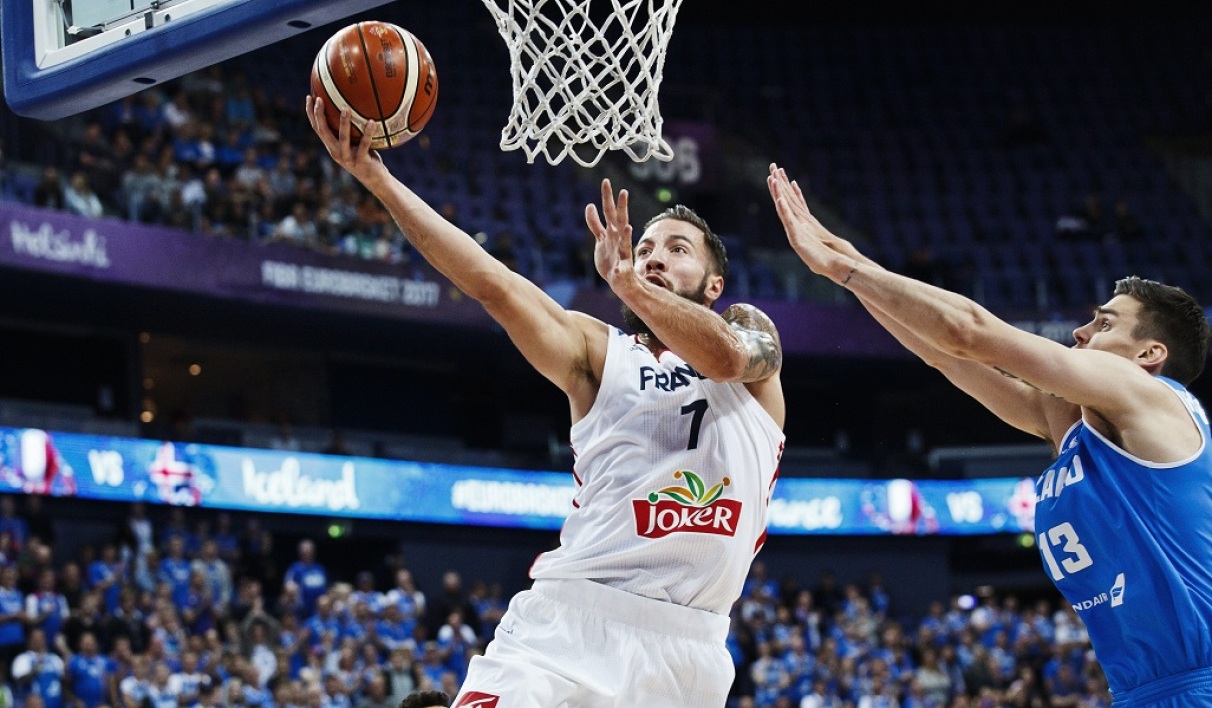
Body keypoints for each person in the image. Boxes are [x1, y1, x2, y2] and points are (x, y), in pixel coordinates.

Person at [307, 97, 785, 707]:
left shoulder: (749, 336)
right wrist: (377, 178)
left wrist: (631, 284)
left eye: (676, 249)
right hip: (572, 621)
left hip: (689, 655)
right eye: (645, 249)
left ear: (715, 285)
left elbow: (721, 358)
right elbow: (491, 284)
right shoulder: (597, 349)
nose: (654, 257)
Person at [766, 163, 1212, 705]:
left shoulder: (1145, 392)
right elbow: (940, 351)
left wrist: (841, 270)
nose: (1081, 330)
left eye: (1105, 323)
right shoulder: (1077, 425)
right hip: (1140, 690)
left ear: (1149, 355)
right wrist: (854, 263)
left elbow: (968, 331)